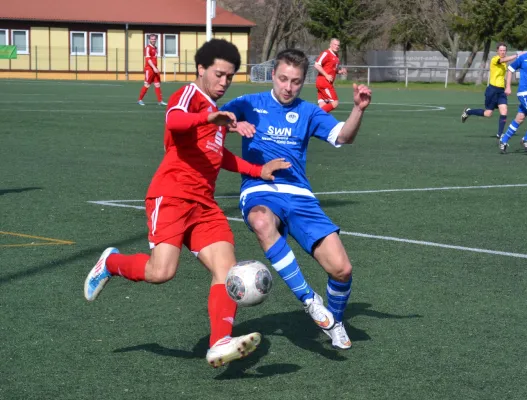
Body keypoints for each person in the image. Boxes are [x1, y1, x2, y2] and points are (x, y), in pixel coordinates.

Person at [84, 39, 291, 368]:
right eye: (219, 74)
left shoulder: (215, 112)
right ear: (201, 69)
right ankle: (111, 263)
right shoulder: (189, 95)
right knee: (161, 272)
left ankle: (219, 342)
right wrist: (209, 117)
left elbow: (217, 155)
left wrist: (257, 170)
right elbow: (174, 120)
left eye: (229, 77)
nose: (224, 82)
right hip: (171, 196)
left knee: (226, 268)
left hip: (204, 205)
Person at [221, 49, 372, 350]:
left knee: (342, 269)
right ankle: (308, 299)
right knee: (261, 221)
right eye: (282, 79)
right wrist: (232, 123)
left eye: (295, 82)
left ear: (303, 82)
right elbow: (213, 120)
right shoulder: (249, 103)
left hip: (300, 195)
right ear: (272, 75)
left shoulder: (308, 112)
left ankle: (335, 322)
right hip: (260, 187)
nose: (288, 87)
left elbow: (343, 136)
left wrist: (358, 109)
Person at [461, 43, 518, 139]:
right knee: (488, 113)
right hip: (492, 90)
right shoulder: (495, 59)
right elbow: (502, 60)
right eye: (501, 50)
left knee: (504, 110)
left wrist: (507, 87)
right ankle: (468, 111)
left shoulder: (504, 63)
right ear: (497, 51)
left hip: (501, 91)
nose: (502, 52)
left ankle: (500, 134)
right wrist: (516, 56)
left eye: (504, 50)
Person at [314, 38, 348, 113]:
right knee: (335, 103)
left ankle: (315, 118)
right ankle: (314, 115)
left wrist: (340, 71)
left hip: (327, 83)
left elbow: (333, 69)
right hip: (324, 83)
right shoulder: (326, 53)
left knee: (323, 105)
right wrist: (326, 75)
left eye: (338, 45)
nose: (337, 46)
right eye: (335, 44)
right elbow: (316, 65)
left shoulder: (336, 56)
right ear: (330, 44)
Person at [138, 34, 167, 106]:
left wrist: (155, 68)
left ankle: (160, 101)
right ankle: (140, 100)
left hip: (155, 68)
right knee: (147, 84)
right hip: (149, 69)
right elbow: (148, 59)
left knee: (157, 84)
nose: (153, 40)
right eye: (152, 39)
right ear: (149, 40)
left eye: (154, 39)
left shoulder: (156, 48)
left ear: (156, 39)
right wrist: (154, 67)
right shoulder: (148, 48)